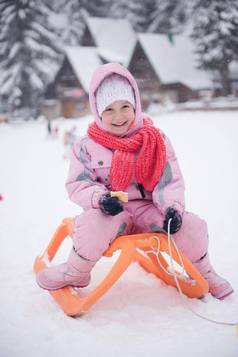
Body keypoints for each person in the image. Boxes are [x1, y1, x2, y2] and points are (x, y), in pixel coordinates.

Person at [36, 63, 233, 300]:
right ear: (97, 111)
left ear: (136, 106)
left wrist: (173, 208)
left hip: (148, 209)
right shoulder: (85, 146)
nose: (118, 116)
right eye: (109, 110)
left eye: (125, 107)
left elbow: (169, 181)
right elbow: (78, 184)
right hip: (111, 213)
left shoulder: (156, 140)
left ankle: (205, 273)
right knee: (90, 224)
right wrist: (100, 199)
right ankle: (76, 272)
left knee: (191, 226)